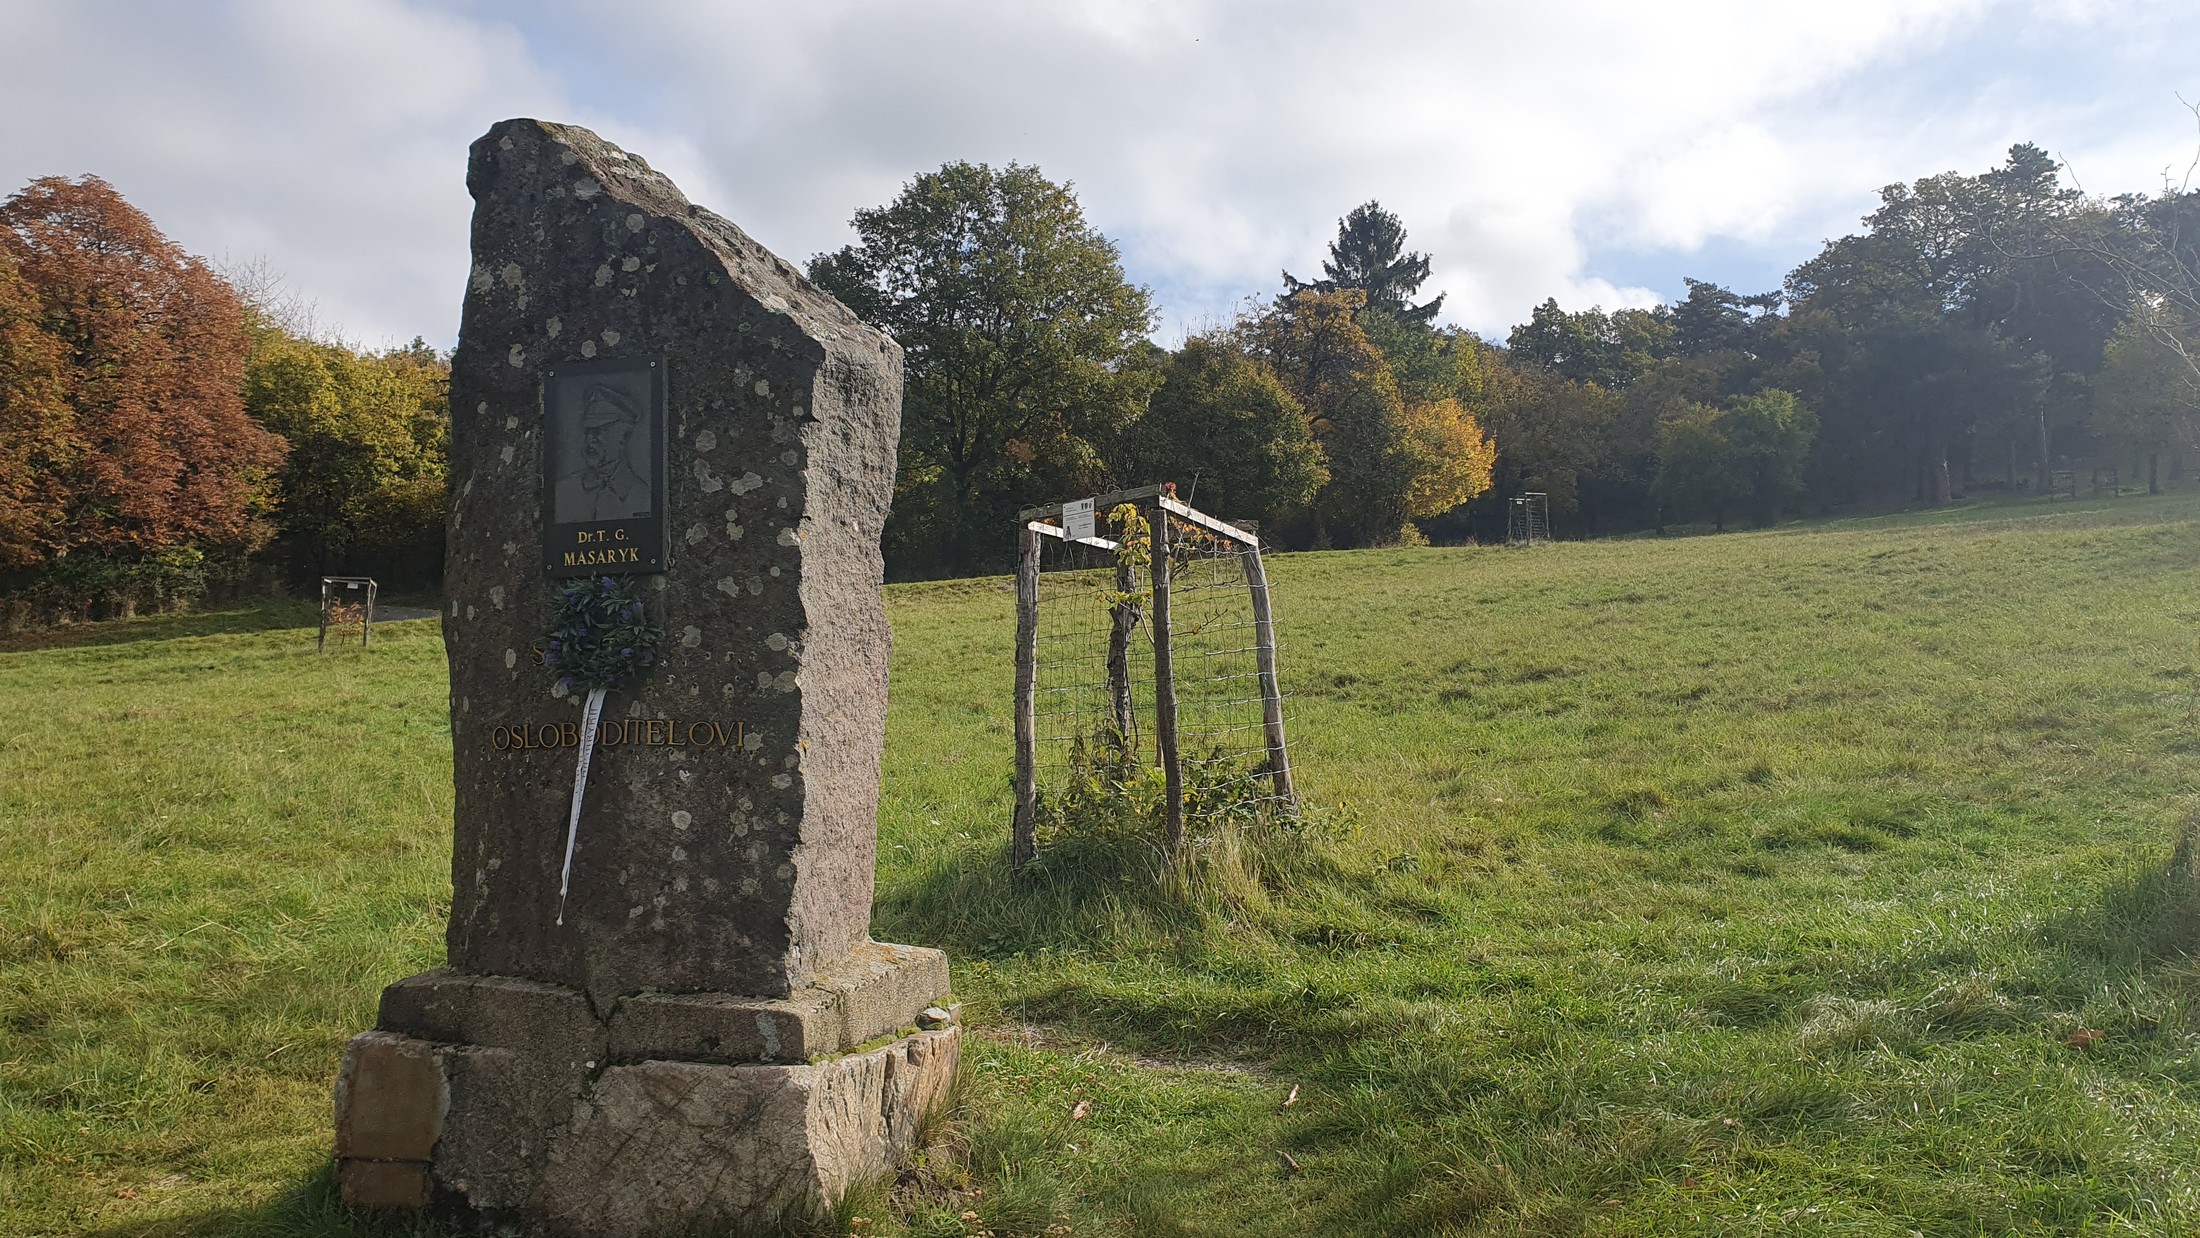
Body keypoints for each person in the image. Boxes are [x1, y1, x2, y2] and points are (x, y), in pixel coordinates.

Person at [555, 382, 651, 522]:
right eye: (587, 432)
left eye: (598, 432)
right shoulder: (561, 492)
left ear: (624, 438)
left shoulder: (645, 497)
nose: (589, 440)